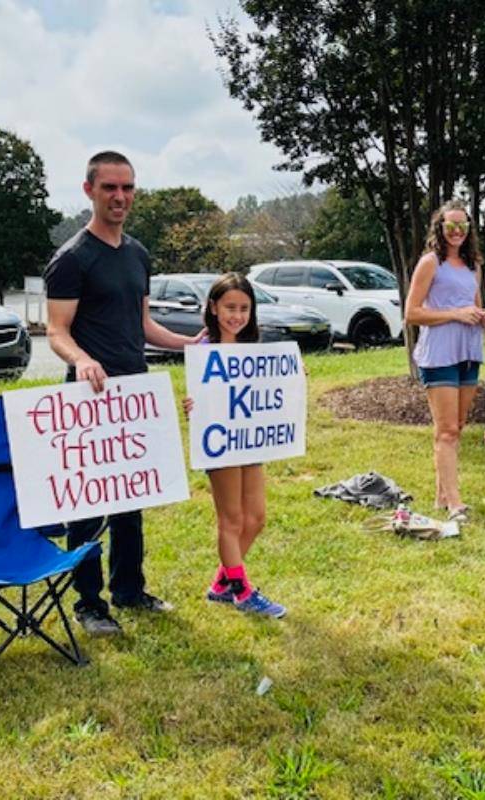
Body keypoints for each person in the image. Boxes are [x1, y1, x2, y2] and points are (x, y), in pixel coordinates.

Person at [44, 151, 204, 636]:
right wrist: (82, 359)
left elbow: (142, 323)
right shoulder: (71, 259)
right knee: (88, 506)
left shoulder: (137, 253)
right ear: (89, 190)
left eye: (127, 188)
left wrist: (190, 344)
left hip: (135, 392)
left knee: (132, 497)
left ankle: (130, 590)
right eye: (110, 187)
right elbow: (55, 331)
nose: (120, 197)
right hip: (90, 397)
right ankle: (89, 604)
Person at [182, 273, 286, 618]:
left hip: (249, 441)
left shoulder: (252, 351)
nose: (236, 315)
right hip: (220, 442)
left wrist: (289, 385)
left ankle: (220, 584)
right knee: (232, 518)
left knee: (255, 519)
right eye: (229, 307)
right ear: (213, 307)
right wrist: (191, 406)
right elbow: (199, 396)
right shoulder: (205, 350)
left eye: (243, 308)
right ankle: (242, 591)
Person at [404, 201, 485, 523]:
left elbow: (474, 305)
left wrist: (483, 317)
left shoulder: (473, 265)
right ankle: (455, 503)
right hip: (440, 353)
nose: (456, 231)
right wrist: (455, 314)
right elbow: (412, 313)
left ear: (469, 229)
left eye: (462, 226)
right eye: (450, 225)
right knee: (446, 431)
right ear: (440, 228)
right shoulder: (430, 263)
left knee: (456, 427)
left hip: (469, 352)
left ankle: (442, 496)